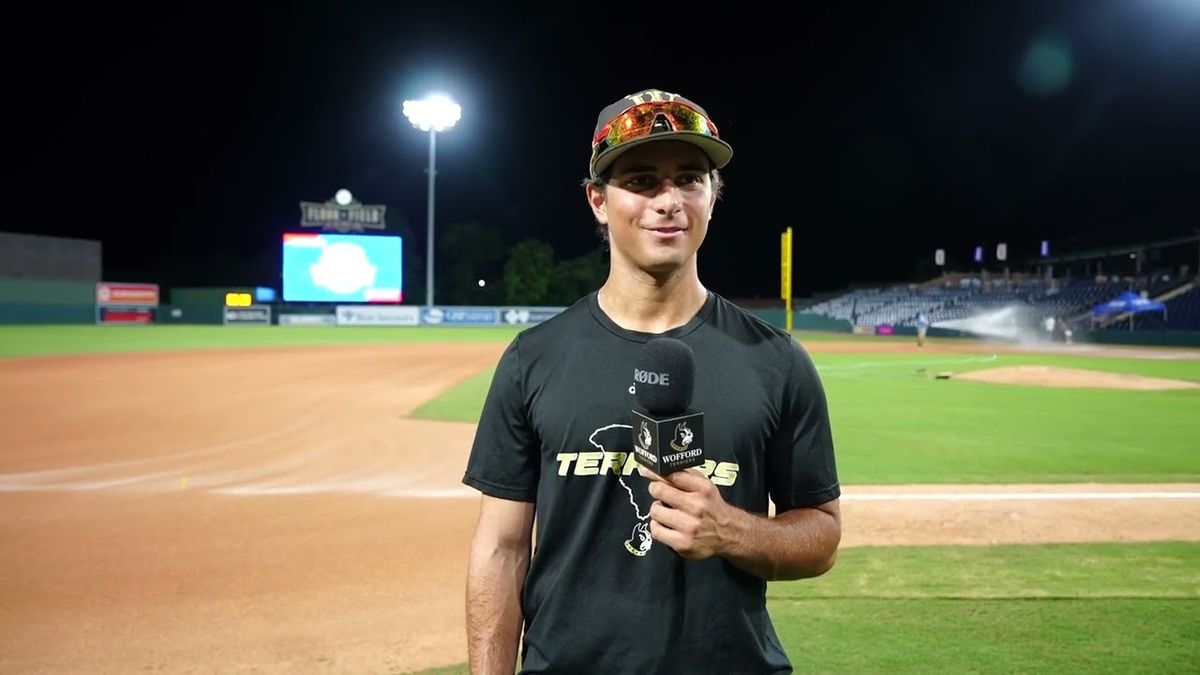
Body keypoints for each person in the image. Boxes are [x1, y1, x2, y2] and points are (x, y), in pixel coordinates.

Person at [463, 88, 841, 674]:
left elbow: (821, 537)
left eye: (689, 179)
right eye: (641, 181)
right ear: (597, 199)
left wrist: (731, 530)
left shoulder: (777, 360)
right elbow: (501, 549)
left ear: (713, 197)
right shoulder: (532, 359)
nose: (668, 201)